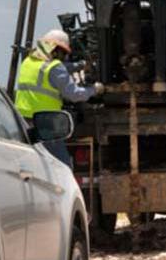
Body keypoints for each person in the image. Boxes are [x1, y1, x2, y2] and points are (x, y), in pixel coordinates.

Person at [15, 29, 105, 166]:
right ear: (55, 50)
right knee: (63, 166)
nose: (63, 57)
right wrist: (94, 89)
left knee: (33, 164)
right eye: (63, 53)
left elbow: (58, 68)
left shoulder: (28, 62)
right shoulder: (54, 67)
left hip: (22, 122)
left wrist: (80, 65)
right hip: (46, 125)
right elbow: (74, 94)